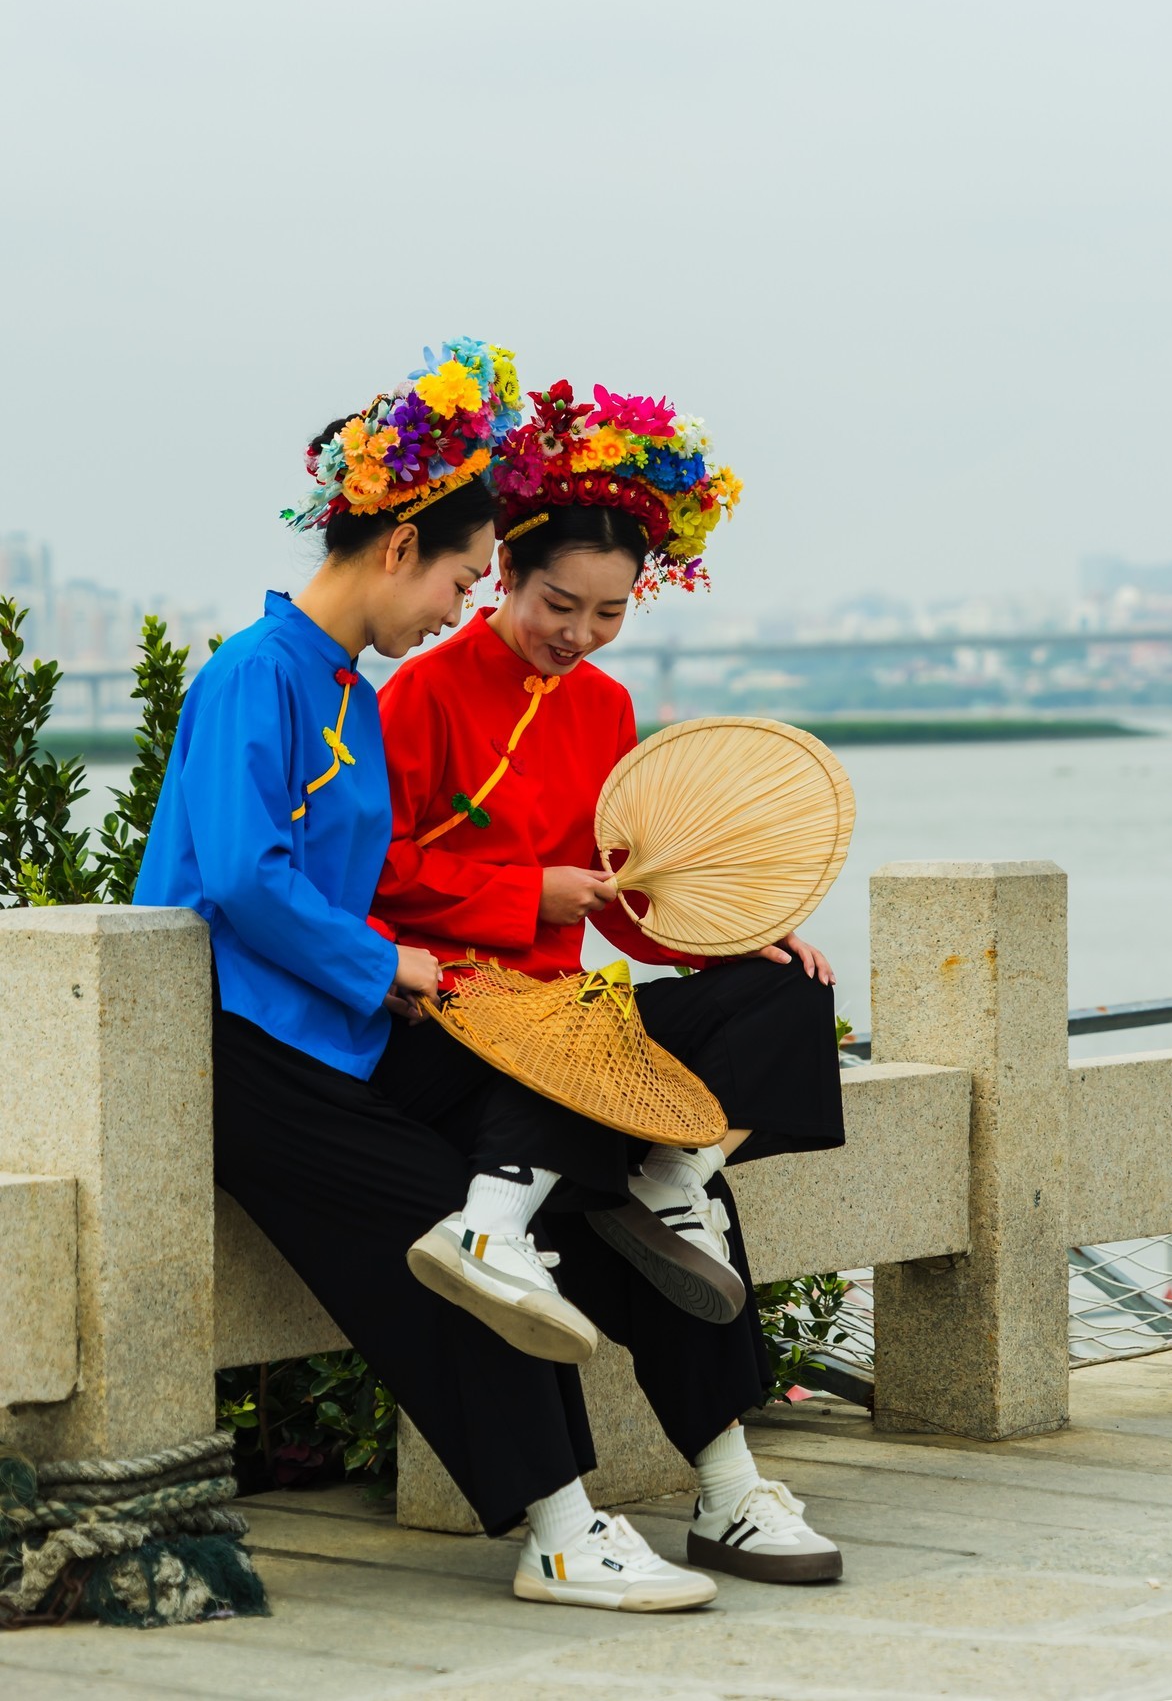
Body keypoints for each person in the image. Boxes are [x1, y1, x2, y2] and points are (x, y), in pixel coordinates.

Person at [135, 341, 724, 1615]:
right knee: (435, 1231)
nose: (460, 607)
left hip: (329, 1031)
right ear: (398, 547)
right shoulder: (258, 672)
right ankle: (562, 1529)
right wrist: (387, 962)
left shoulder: (338, 683)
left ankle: (685, 1399)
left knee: (535, 1114)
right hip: (233, 1046)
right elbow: (240, 876)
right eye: (462, 575)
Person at [370, 377, 846, 1593]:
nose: (576, 634)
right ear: (504, 578)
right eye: (555, 604)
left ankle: (678, 1180)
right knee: (600, 1080)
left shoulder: (608, 706)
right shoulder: (418, 691)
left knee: (781, 997)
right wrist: (526, 896)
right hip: (456, 1013)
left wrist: (732, 948)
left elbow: (624, 894)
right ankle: (728, 1479)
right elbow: (367, 875)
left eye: (607, 612)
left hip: (569, 1023)